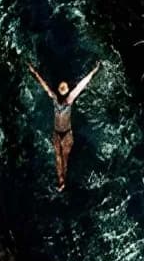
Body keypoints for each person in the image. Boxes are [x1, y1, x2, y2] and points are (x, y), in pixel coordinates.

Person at [28, 62, 101, 191]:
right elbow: (44, 85)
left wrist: (93, 72)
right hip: (58, 132)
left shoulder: (66, 99)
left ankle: (64, 180)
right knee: (58, 157)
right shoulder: (56, 98)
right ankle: (61, 180)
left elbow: (80, 85)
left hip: (66, 133)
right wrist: (34, 73)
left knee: (64, 158)